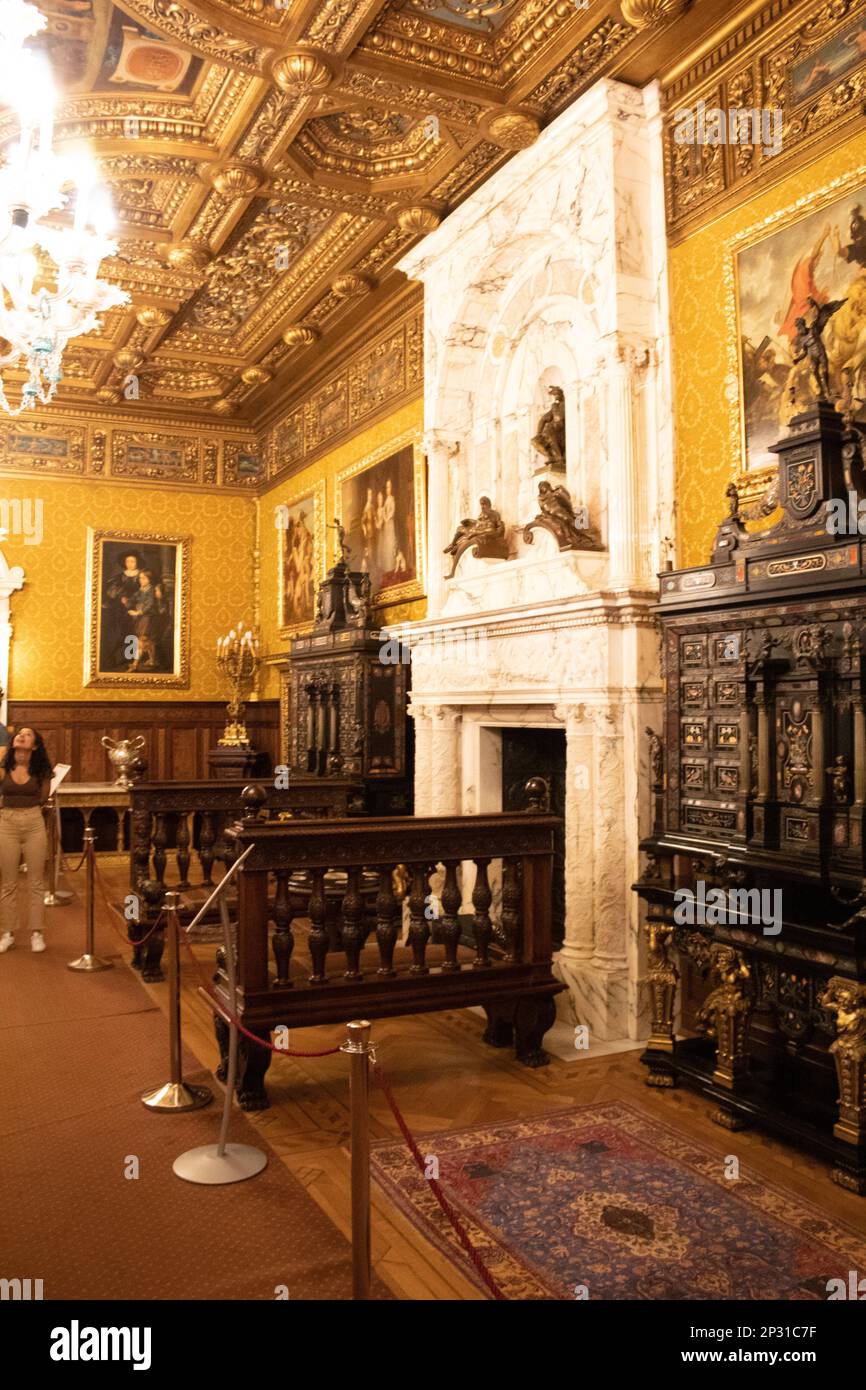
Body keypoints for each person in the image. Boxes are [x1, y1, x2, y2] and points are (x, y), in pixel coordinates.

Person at [0, 726, 53, 953]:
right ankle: (8, 933)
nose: (21, 735)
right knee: (9, 882)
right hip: (7, 822)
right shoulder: (3, 768)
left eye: (28, 734)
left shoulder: (41, 771)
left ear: (35, 745)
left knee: (36, 881)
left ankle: (36, 932)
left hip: (33, 822)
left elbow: (43, 797)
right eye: (19, 733)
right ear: (13, 743)